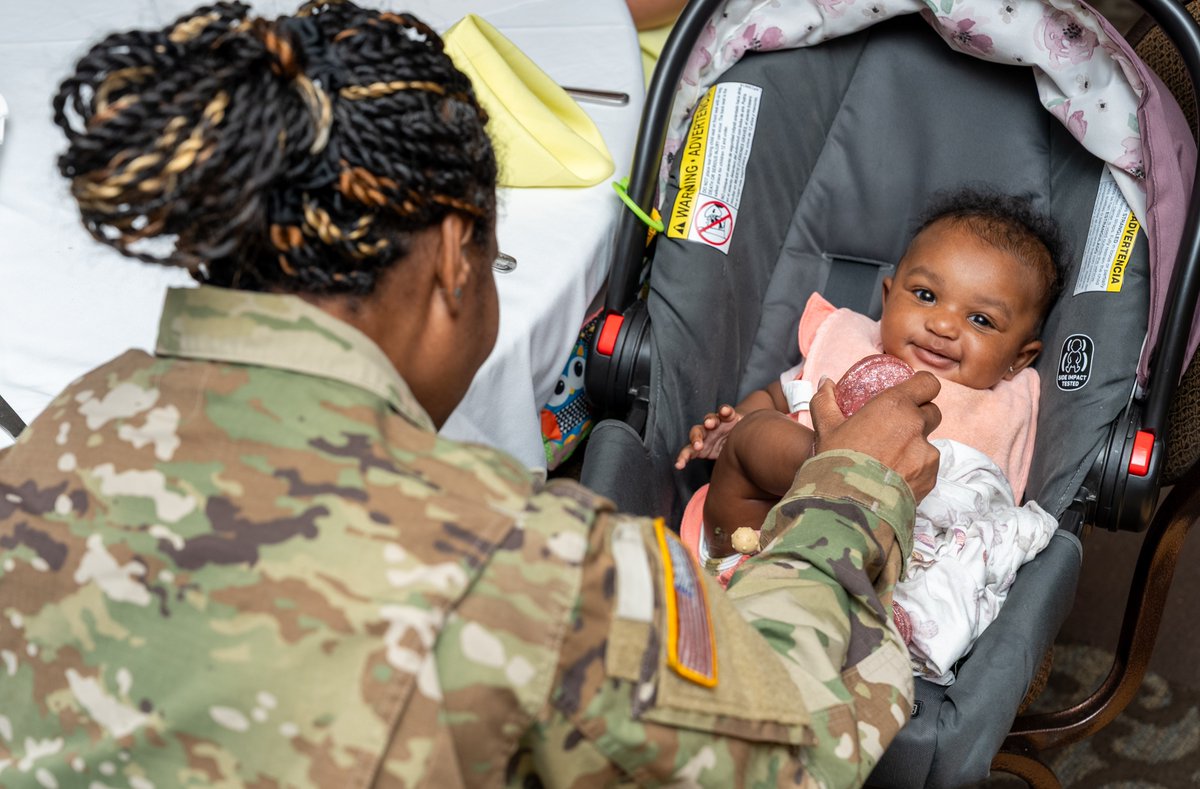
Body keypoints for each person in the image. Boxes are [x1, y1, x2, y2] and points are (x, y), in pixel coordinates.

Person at [0, 3, 941, 787]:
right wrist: (852, 490)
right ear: (458, 256)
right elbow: (792, 747)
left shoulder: (71, 424)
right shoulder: (526, 565)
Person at [674, 191, 1065, 681]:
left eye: (980, 320)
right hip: (755, 536)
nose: (942, 324)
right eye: (925, 295)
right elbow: (778, 397)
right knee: (758, 434)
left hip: (877, 580)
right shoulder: (848, 346)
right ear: (886, 297)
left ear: (1020, 359)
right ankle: (831, 459)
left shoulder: (1006, 406)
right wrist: (734, 427)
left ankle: (883, 614)